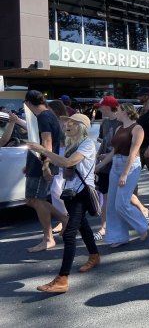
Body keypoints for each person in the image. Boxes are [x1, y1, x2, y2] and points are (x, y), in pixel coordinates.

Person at [29, 113, 99, 293]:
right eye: (67, 122)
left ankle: (62, 279)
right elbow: (60, 163)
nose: (68, 125)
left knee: (69, 234)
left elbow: (68, 162)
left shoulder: (87, 144)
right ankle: (94, 255)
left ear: (82, 127)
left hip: (82, 192)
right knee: (83, 226)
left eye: (73, 123)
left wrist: (43, 150)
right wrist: (45, 164)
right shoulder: (70, 144)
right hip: (70, 192)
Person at [93, 97, 149, 240]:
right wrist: (99, 165)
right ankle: (118, 237)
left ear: (125, 112)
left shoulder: (137, 128)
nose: (115, 111)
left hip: (130, 166)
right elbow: (114, 151)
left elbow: (133, 152)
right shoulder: (118, 128)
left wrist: (124, 174)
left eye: (118, 109)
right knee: (112, 205)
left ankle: (142, 227)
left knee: (121, 204)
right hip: (116, 165)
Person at [23, 90, 68, 253]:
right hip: (38, 162)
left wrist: (45, 165)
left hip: (42, 164)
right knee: (31, 199)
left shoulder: (43, 117)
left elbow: (47, 142)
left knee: (37, 200)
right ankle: (63, 218)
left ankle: (48, 239)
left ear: (28, 103)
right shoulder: (49, 115)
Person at [46, 100, 69, 234]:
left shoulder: (65, 123)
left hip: (65, 155)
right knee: (56, 190)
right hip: (56, 155)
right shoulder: (53, 122)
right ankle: (63, 219)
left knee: (57, 190)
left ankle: (65, 219)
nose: (48, 111)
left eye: (50, 109)